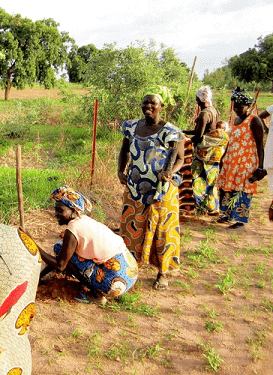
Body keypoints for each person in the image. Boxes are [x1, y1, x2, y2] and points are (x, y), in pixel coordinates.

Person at [117, 87, 185, 290]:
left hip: (162, 189)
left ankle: (163, 272)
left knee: (163, 230)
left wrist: (171, 172)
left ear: (161, 106)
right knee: (131, 227)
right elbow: (124, 149)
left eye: (152, 103)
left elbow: (180, 158)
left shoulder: (171, 131)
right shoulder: (130, 127)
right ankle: (130, 268)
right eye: (145, 102)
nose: (148, 106)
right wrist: (121, 170)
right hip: (135, 187)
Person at [37, 187, 138, 305]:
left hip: (115, 283)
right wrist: (41, 276)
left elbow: (60, 264)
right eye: (55, 210)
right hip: (130, 271)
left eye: (60, 210)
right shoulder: (84, 220)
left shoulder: (73, 229)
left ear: (74, 211)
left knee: (59, 248)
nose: (56, 214)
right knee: (63, 249)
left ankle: (97, 295)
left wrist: (35, 246)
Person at [217, 88, 266, 229]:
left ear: (249, 106)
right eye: (235, 107)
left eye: (240, 107)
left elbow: (260, 146)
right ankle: (226, 214)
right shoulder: (236, 120)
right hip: (231, 161)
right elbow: (230, 142)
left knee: (242, 189)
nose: (237, 110)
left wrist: (260, 167)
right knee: (227, 187)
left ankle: (240, 220)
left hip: (246, 163)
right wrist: (223, 158)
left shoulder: (254, 121)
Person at [183, 86, 228, 215]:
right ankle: (213, 207)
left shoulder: (204, 114)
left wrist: (185, 141)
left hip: (204, 152)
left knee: (198, 178)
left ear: (200, 99)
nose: (196, 100)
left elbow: (198, 136)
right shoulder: (213, 110)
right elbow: (203, 131)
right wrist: (183, 132)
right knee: (211, 179)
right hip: (214, 152)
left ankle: (203, 206)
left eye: (197, 98)